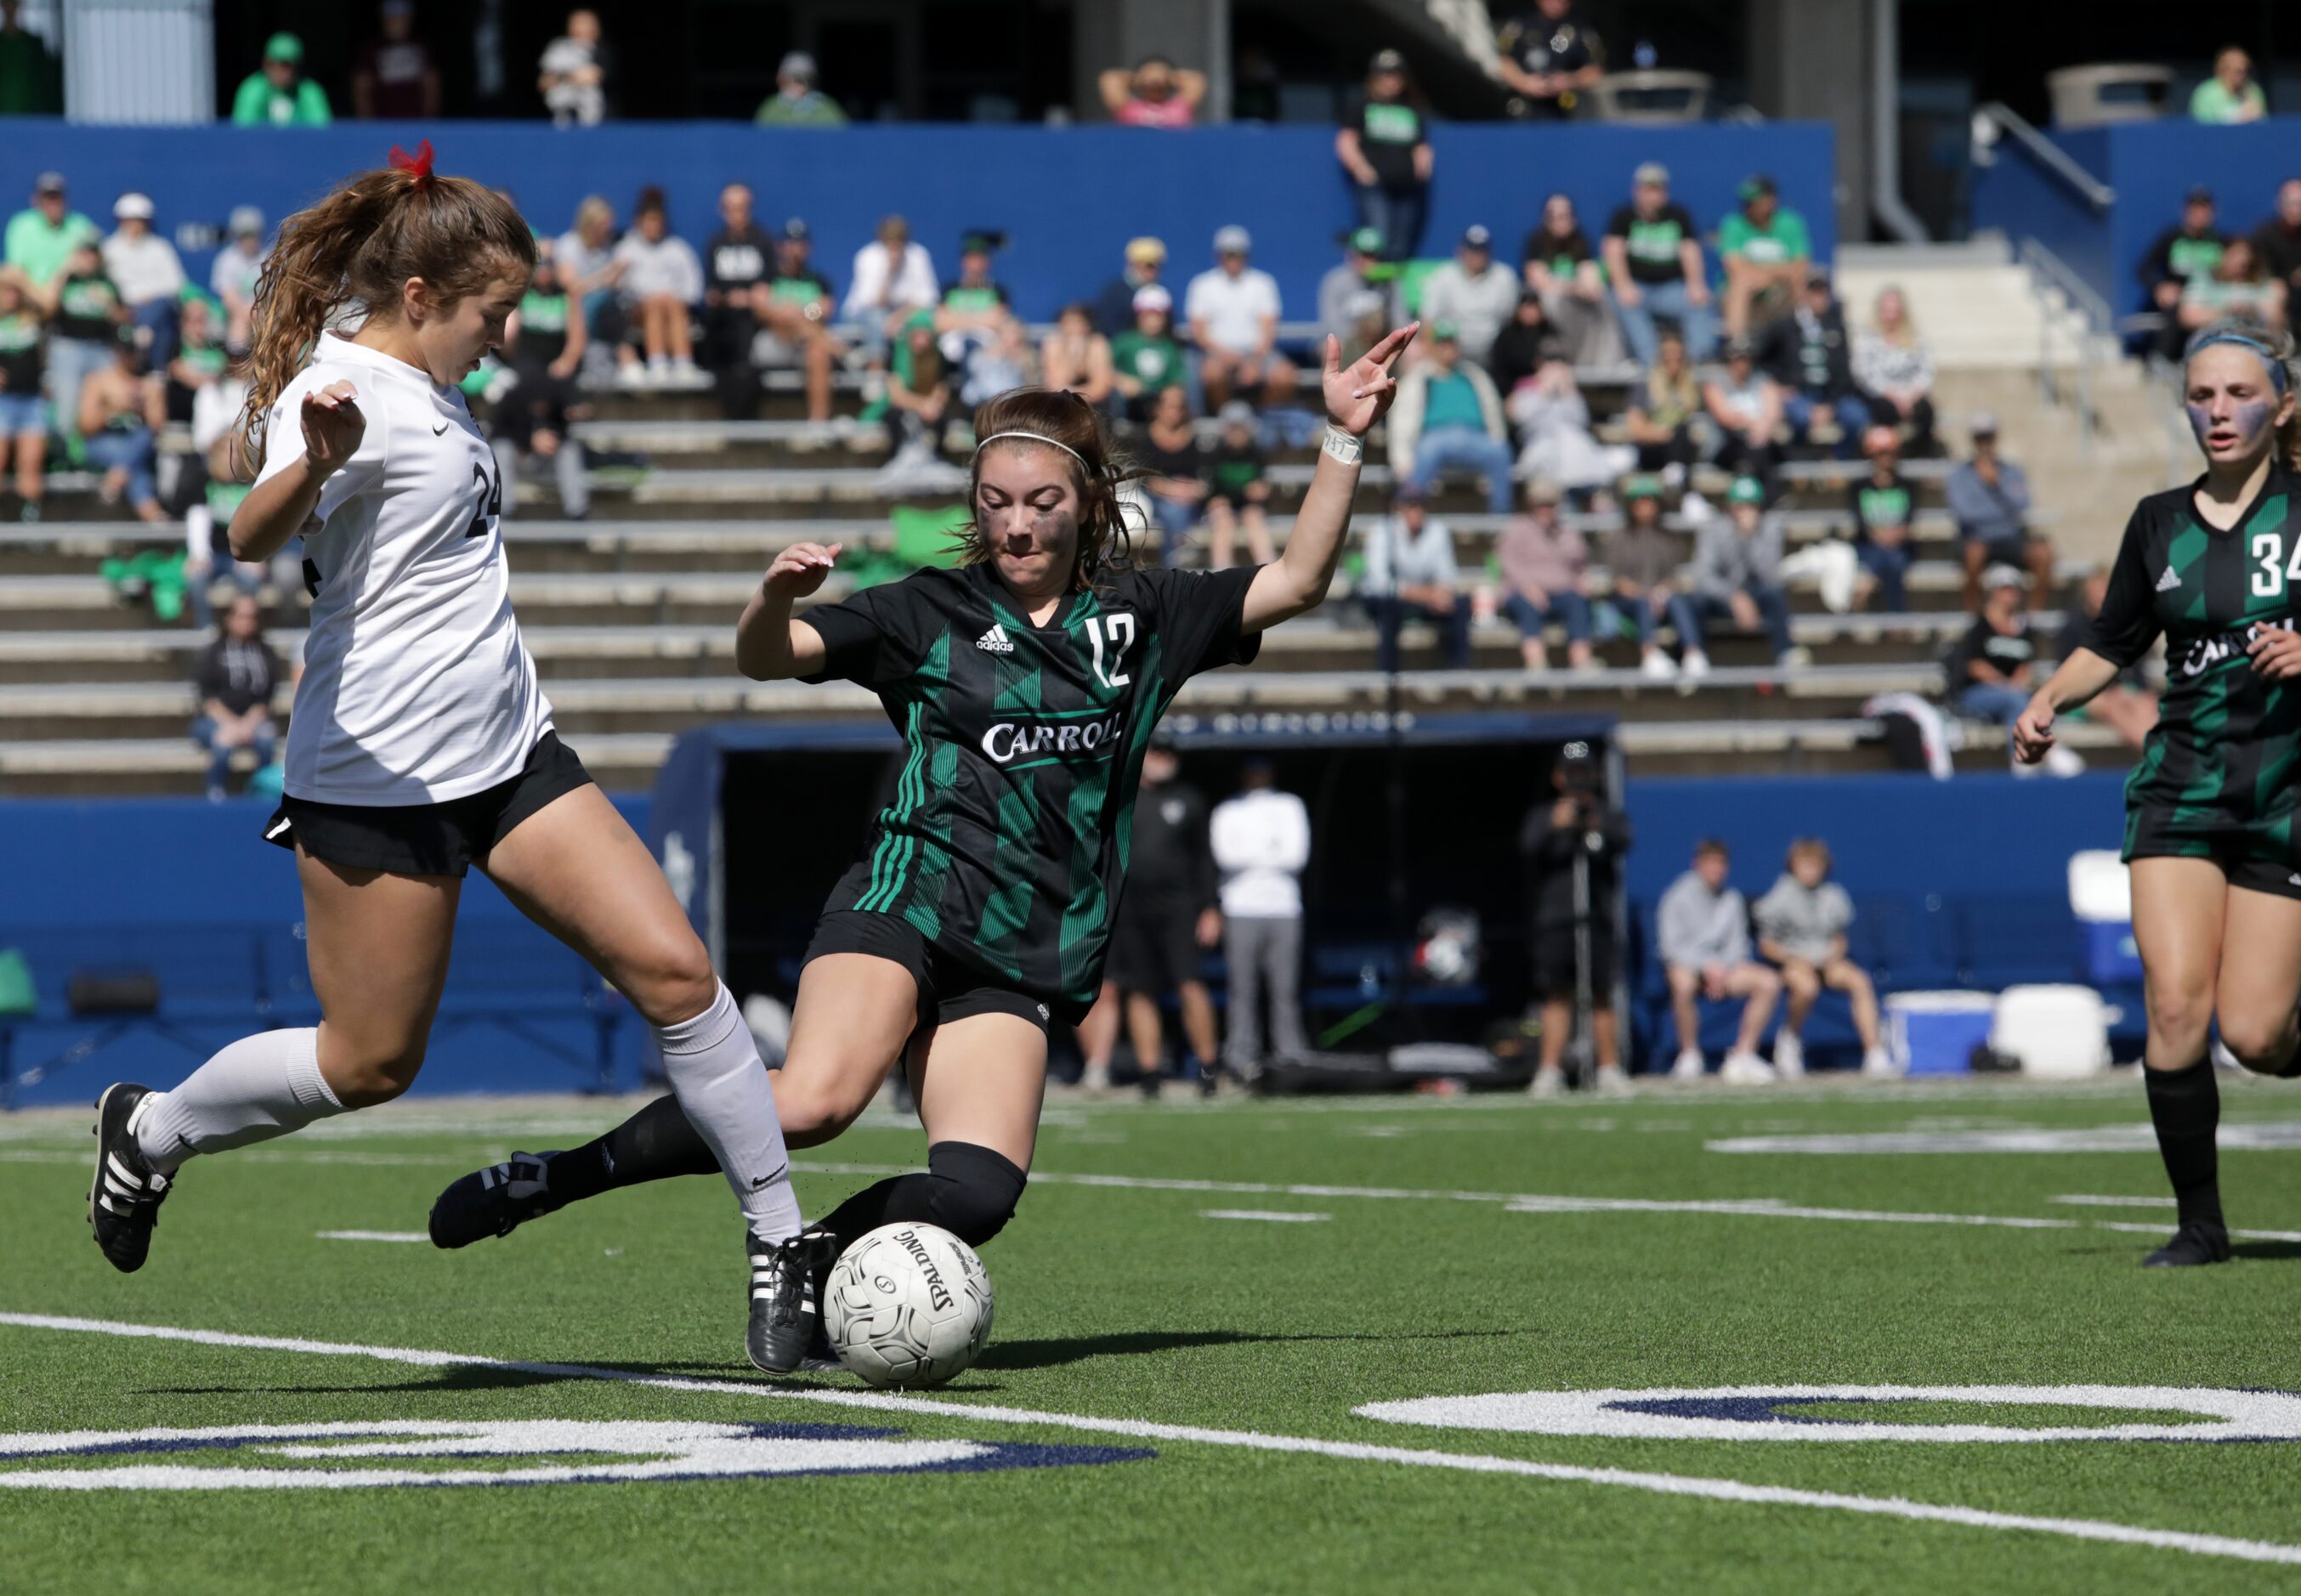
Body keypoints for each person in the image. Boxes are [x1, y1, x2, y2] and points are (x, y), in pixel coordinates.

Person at [425, 327, 1422, 1364]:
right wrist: (772, 599)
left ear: (1087, 504)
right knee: (810, 1102)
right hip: (909, 896)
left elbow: (1299, 580)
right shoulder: (928, 611)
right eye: (995, 503)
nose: (1016, 525)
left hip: (1030, 940)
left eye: (1041, 504)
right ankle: (559, 1177)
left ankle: (817, 1254)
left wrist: (1341, 440)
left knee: (979, 1194)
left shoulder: (1146, 616)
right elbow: (773, 659)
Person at [86, 148, 816, 1378]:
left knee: (679, 973)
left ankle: (781, 1242)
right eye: (494, 310)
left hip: (511, 754)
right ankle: (150, 1129)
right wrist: (313, 461)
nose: (507, 333)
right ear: (421, 295)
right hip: (375, 777)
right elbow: (251, 535)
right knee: (369, 1062)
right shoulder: (340, 388)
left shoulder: (431, 379)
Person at [2017, 320, 2301, 1266]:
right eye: (2201, 396)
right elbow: (2113, 640)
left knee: (2257, 1036)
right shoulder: (2156, 521)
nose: (2218, 412)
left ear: (2282, 404)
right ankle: (2200, 1225)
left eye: (2238, 394)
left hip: (2284, 799)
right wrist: (2048, 698)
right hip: (2179, 792)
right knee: (2176, 1007)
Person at [1106, 737, 1223, 1095]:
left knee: (1190, 982)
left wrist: (1210, 908)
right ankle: (1150, 1073)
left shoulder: (1189, 800)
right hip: (1130, 907)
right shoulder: (1120, 798)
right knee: (1139, 989)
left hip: (1179, 908)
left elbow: (1205, 859)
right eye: (1156, 751)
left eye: (1169, 753)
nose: (1162, 758)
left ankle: (1207, 1067)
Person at [1521, 739, 1630, 1096]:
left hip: (1596, 918)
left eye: (1585, 773)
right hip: (1558, 919)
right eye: (1572, 774)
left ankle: (1609, 1068)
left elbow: (1624, 839)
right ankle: (1550, 1070)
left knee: (1602, 994)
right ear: (1559, 777)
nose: (1578, 781)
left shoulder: (1606, 814)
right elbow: (1528, 847)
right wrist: (1558, 824)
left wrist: (1594, 822)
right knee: (1556, 994)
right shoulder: (1544, 815)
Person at [1754, 839, 1892, 1078]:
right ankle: (1789, 1040)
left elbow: (1840, 939)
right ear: (1793, 866)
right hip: (1794, 962)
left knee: (1858, 980)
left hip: (1826, 961)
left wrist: (1833, 954)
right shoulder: (1780, 896)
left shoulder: (1833, 895)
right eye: (1804, 864)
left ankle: (1874, 1052)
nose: (1809, 871)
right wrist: (1793, 958)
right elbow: (1766, 945)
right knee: (1807, 987)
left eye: (1815, 865)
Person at [1211, 760, 1312, 1078]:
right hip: (1240, 907)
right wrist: (1270, 850)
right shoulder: (1228, 809)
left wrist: (1252, 854)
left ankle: (1291, 1054)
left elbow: (1296, 856)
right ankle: (1241, 1056)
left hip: (1284, 908)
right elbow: (1226, 856)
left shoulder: (1289, 805)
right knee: (1243, 988)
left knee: (1285, 989)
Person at [1656, 839, 1780, 1084]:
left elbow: (1738, 946)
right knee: (1683, 983)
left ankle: (1743, 1055)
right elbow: (1671, 947)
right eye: (1709, 863)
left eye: (1720, 864)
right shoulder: (1676, 896)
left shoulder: (1732, 899)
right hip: (1688, 967)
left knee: (1769, 981)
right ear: (1697, 864)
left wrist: (1721, 969)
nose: (1715, 869)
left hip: (1723, 970)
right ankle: (1689, 1055)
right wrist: (1705, 967)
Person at [492, 244, 591, 521]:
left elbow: (577, 336)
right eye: (540, 265)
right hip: (525, 376)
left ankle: (577, 514)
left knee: (569, 449)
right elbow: (502, 429)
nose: (545, 271)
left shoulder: (566, 296)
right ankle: (505, 513)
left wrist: (566, 363)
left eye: (549, 265)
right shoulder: (521, 295)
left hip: (555, 374)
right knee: (501, 448)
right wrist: (530, 438)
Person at [1390, 321, 1512, 512]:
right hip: (1435, 436)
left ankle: (1499, 521)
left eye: (1452, 343)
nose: (1448, 349)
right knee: (1426, 453)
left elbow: (1493, 412)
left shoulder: (1474, 376)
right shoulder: (1420, 378)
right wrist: (1401, 460)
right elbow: (1402, 421)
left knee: (1500, 452)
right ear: (1434, 348)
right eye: (1443, 344)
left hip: (1475, 437)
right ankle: (1408, 511)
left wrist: (1496, 437)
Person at [1603, 163, 1714, 367]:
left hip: (1670, 289)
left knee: (1699, 302)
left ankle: (1699, 361)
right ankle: (1653, 365)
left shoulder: (1678, 215)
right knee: (1624, 303)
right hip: (1638, 287)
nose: (1653, 196)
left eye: (1658, 189)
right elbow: (1613, 251)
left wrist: (1696, 284)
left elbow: (1690, 251)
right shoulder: (1623, 217)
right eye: (1648, 189)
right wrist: (1623, 285)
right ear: (1637, 191)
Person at [1688, 474, 1799, 669]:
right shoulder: (1714, 529)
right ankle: (1696, 655)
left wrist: (1749, 538)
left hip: (1756, 593)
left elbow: (1770, 575)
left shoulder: (1770, 528)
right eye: (1739, 506)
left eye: (1751, 506)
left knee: (1775, 594)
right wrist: (1733, 597)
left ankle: (1785, 651)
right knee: (1696, 600)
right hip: (1723, 597)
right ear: (1730, 507)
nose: (1744, 512)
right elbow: (1703, 574)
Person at [1947, 414, 2053, 610]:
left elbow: (2023, 506)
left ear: (1995, 438)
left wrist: (1997, 486)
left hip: (2010, 537)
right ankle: (1974, 614)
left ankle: (2033, 616)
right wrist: (1998, 513)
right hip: (1977, 537)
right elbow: (1963, 513)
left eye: (1988, 437)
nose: (1985, 443)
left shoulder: (2012, 472)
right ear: (1973, 440)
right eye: (1980, 438)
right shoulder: (1959, 474)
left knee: (2044, 554)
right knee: (1974, 553)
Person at [1761, 268, 1869, 457]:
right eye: (1813, 292)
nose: (1817, 297)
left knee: (1857, 416)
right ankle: (1798, 460)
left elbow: (1844, 371)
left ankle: (1839, 461)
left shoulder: (1837, 327)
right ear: (1804, 294)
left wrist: (1830, 405)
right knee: (1800, 418)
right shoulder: (1785, 326)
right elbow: (1761, 357)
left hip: (1831, 395)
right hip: (1799, 393)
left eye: (1822, 292)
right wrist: (1777, 386)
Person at [1185, 226, 1295, 411]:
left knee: (1286, 376)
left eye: (1238, 253)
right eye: (1228, 253)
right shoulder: (1202, 285)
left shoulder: (1263, 283)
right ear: (1218, 255)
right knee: (1212, 375)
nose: (1233, 259)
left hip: (1257, 353)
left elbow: (1268, 328)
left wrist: (1254, 361)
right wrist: (1225, 356)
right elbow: (1199, 331)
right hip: (1217, 354)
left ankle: (1263, 422)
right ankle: (1227, 420)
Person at [1360, 484, 1468, 671]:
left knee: (1460, 604)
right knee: (1388, 608)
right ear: (1398, 508)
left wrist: (1440, 594)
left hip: (1423, 598)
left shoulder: (1437, 531)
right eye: (1410, 505)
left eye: (1420, 505)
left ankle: (1458, 669)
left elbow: (1447, 574)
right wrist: (1425, 594)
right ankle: (1387, 673)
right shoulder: (1382, 531)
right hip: (1389, 600)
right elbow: (1380, 583)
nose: (1416, 510)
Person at [1336, 50, 1431, 262]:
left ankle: (1394, 291)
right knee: (1379, 238)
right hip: (1375, 187)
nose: (1392, 80)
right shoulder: (1361, 105)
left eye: (1397, 74)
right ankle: (1376, 288)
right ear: (1375, 77)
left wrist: (1421, 168)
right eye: (1386, 74)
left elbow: (1420, 145)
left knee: (1402, 243)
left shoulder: (1411, 109)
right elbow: (1346, 141)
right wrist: (1361, 168)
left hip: (1407, 187)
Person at [1604, 474, 1702, 678]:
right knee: (1643, 603)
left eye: (1649, 501)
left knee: (1678, 600)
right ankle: (1649, 653)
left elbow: (1672, 576)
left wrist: (1661, 593)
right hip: (1628, 602)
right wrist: (1647, 595)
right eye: (1640, 501)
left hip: (1660, 598)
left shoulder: (1668, 539)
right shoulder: (1619, 539)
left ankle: (1693, 653)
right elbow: (1617, 581)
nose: (1645, 507)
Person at [1495, 477, 1593, 671]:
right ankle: (1536, 661)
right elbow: (1506, 564)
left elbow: (1580, 564)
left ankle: (1581, 660)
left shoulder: (1566, 532)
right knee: (1527, 604)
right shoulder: (1517, 529)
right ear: (1531, 505)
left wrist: (1582, 580)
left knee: (1577, 601)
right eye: (1541, 504)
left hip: (1561, 592)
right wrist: (1527, 586)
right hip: (1523, 592)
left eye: (1550, 504)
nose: (1545, 510)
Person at [190, 596, 282, 801]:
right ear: (229, 618)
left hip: (253, 720)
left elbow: (266, 699)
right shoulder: (213, 652)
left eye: (252, 617)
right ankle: (215, 795)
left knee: (267, 737)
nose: (246, 622)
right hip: (213, 720)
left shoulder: (265, 653)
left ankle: (264, 793)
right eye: (241, 616)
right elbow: (207, 697)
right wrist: (231, 724)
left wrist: (247, 725)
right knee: (222, 742)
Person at [611, 187, 703, 388]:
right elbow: (619, 289)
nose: (653, 226)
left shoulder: (679, 249)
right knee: (654, 304)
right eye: (649, 221)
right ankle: (658, 364)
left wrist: (670, 298)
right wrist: (651, 297)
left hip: (673, 308)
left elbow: (692, 290)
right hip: (637, 311)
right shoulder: (626, 250)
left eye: (657, 221)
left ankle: (683, 364)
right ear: (639, 222)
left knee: (670, 303)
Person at [2060, 568, 2158, 751]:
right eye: (2097, 590)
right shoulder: (2073, 628)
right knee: (2114, 706)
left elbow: (2139, 676)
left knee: (2145, 705)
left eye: (2106, 589)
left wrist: (2141, 694)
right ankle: (2152, 754)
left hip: (2123, 691)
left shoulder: (2128, 625)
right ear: (2087, 593)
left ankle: (2153, 758)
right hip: (2085, 695)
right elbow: (2067, 675)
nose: (2102, 595)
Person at [1520, 191, 1619, 366]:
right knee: (1553, 300)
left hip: (1575, 299)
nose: (1562, 221)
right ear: (1547, 218)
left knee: (1604, 298)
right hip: (1551, 301)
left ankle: (1609, 362)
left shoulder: (1580, 240)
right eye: (1556, 217)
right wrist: (1572, 287)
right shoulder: (1536, 241)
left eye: (1566, 216)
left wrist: (1589, 288)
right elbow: (1539, 281)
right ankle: (1572, 360)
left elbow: (1589, 276)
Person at [1951, 563, 2049, 741]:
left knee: (2021, 706)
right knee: (2015, 701)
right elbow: (1975, 666)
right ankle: (2039, 753)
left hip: (2013, 693)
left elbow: (2025, 667)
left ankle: (2022, 760)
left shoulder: (2024, 629)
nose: (2009, 596)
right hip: (1977, 693)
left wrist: (2015, 685)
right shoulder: (1980, 627)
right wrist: (2006, 686)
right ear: (1993, 592)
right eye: (2004, 590)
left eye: (2013, 590)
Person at [700, 183, 773, 419]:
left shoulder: (813, 282)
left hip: (767, 325)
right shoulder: (715, 243)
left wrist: (813, 310)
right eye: (731, 209)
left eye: (742, 208)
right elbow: (711, 289)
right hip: (727, 323)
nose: (737, 215)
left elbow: (811, 308)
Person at [77, 331, 163, 524]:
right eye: (127, 352)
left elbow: (157, 427)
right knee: (134, 462)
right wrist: (114, 408)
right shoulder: (99, 380)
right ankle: (151, 511)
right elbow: (85, 426)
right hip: (102, 442)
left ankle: (116, 477)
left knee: (143, 437)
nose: (132, 357)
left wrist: (143, 407)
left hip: (137, 442)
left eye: (135, 352)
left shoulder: (150, 383)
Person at [1718, 174, 1810, 342]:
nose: (1749, 207)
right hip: (1750, 289)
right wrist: (1779, 269)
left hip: (1779, 289)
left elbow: (1800, 266)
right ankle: (1737, 345)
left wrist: (1764, 273)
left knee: (1799, 281)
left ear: (1771, 200)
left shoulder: (1790, 223)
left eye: (1754, 202)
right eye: (1747, 202)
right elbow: (1735, 266)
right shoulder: (1733, 224)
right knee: (1740, 283)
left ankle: (1805, 337)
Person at [2139, 188, 2226, 361]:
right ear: (2185, 211)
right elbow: (2143, 269)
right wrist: (2160, 286)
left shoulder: (2220, 240)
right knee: (2175, 308)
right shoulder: (2171, 238)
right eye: (2195, 209)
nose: (2200, 214)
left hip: (2210, 298)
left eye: (2205, 209)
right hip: (2179, 299)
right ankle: (2160, 362)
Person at [842, 214, 938, 368]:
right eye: (890, 241)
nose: (895, 246)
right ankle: (876, 376)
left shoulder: (918, 255)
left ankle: (920, 379)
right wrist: (889, 273)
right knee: (878, 319)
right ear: (882, 240)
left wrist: (898, 317)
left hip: (900, 316)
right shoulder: (868, 257)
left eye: (899, 240)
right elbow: (873, 303)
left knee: (923, 319)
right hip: (861, 314)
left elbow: (928, 299)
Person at [1852, 284, 1936, 455]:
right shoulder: (1866, 338)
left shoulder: (1916, 337)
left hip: (1912, 394)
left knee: (1926, 412)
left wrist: (1912, 394)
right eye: (1886, 310)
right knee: (1884, 412)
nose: (1890, 316)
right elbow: (1865, 374)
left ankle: (1918, 455)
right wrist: (1894, 396)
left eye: (1894, 310)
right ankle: (1885, 457)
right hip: (1882, 396)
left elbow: (1926, 370)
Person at [101, 192, 183, 363]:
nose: (134, 225)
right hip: (123, 309)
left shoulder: (160, 248)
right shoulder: (109, 249)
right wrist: (129, 303)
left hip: (155, 308)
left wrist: (147, 297)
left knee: (161, 313)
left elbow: (175, 284)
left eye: (139, 219)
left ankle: (155, 369)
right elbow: (107, 283)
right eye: (129, 219)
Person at [1420, 225, 1516, 369]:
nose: (1477, 256)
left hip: (1493, 352)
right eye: (1472, 250)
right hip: (1453, 348)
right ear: (1461, 251)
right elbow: (1428, 320)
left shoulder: (1504, 277)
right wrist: (1435, 354)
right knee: (1415, 352)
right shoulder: (1444, 276)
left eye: (1481, 251)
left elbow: (1511, 319)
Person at [1494, 0, 1604, 121]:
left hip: (1565, 112)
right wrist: (1524, 83)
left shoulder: (1581, 30)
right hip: (1519, 111)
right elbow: (1503, 62)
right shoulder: (1520, 25)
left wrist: (1569, 80)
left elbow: (1595, 71)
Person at [1848, 425, 1914, 613]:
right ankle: (1896, 617)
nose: (1886, 458)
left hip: (1898, 545)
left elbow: (1908, 522)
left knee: (1892, 561)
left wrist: (1892, 536)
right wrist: (1880, 536)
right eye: (1881, 453)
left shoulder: (1907, 485)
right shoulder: (1859, 487)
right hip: (1869, 545)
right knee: (1886, 560)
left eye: (1889, 453)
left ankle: (1890, 615)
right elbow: (1861, 522)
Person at [1137, 383, 1207, 557]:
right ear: (1158, 409)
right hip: (1157, 498)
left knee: (1177, 509)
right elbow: (1148, 480)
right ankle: (1178, 552)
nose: (1176, 411)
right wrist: (1174, 490)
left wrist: (1192, 490)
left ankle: (1176, 557)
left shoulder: (1194, 440)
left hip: (1188, 499)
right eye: (1171, 406)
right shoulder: (1146, 439)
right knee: (1172, 509)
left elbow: (1203, 480)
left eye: (1180, 406)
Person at [1624, 327, 1701, 481]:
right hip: (1650, 450)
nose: (1673, 362)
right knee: (1679, 433)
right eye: (1667, 357)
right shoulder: (1646, 385)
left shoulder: (1689, 388)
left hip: (1678, 448)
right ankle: (1678, 479)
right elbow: (1635, 428)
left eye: (1678, 358)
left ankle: (1677, 477)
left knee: (1683, 432)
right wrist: (1666, 434)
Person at [1204, 399, 1273, 569]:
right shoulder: (1215, 455)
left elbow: (1262, 488)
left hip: (1248, 507)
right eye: (1232, 428)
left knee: (1254, 517)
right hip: (1222, 509)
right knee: (1223, 520)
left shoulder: (1257, 454)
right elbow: (1209, 492)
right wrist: (1214, 500)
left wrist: (1261, 492)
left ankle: (1266, 567)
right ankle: (1221, 571)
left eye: (1241, 427)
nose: (1237, 433)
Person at [1701, 336, 1782, 483]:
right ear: (1730, 359)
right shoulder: (1716, 382)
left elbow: (1774, 412)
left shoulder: (1762, 380)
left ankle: (1757, 498)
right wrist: (1755, 425)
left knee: (1757, 450)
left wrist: (1763, 428)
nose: (1743, 363)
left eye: (1747, 358)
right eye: (1739, 358)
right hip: (1727, 445)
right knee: (1752, 450)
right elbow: (1725, 418)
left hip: (1760, 441)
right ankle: (1771, 498)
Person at [0, 267, 46, 521]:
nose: (11, 295)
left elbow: (49, 303)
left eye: (14, 290)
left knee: (31, 462)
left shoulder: (33, 317)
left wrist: (23, 280)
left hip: (31, 400)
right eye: (6, 289)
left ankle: (30, 520)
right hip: (2, 402)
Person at [5, 171, 96, 290]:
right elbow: (15, 270)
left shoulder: (81, 225)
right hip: (31, 298)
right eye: (48, 198)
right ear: (36, 200)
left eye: (57, 198)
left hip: (73, 297)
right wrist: (43, 298)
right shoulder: (21, 226)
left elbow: (92, 264)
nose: (53, 203)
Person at [2179, 235, 2286, 337]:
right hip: (2212, 341)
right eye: (2235, 254)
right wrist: (2228, 312)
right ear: (2223, 256)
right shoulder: (2204, 280)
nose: (2243, 260)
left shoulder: (2265, 284)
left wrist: (2254, 311)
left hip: (2256, 343)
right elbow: (2188, 316)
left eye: (2246, 254)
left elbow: (2276, 321)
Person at [1109, 284, 1185, 423]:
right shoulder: (1125, 341)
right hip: (1129, 400)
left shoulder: (1169, 346)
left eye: (1158, 315)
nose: (1153, 321)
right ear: (1139, 315)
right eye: (1148, 315)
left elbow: (1176, 379)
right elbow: (1104, 368)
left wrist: (1169, 393)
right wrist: (1121, 380)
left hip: (1157, 400)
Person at [353, 0, 440, 120]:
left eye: (401, 18)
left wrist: (429, 120)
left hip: (416, 123)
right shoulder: (371, 49)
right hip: (382, 124)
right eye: (392, 18)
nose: (397, 23)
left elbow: (432, 86)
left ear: (409, 19)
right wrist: (368, 125)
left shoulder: (422, 46)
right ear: (384, 20)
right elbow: (361, 89)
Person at [1317, 226, 1393, 359]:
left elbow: (1400, 320)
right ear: (1352, 254)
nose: (1368, 261)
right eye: (1363, 254)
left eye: (1372, 255)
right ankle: (1334, 380)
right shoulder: (1335, 280)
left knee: (1412, 349)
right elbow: (1331, 324)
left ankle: (1398, 380)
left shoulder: (1390, 282)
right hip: (1348, 339)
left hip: (1382, 339)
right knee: (1330, 347)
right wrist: (1360, 334)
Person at [232, 31, 332, 127]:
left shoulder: (310, 91)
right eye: (271, 64)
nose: (278, 70)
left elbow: (321, 132)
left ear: (297, 67)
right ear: (264, 64)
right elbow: (244, 132)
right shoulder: (252, 89)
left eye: (285, 65)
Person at [1488, 290, 1567, 410]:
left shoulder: (1550, 333)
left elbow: (1562, 364)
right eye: (1527, 307)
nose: (1530, 312)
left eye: (1534, 307)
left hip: (1552, 392)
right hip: (1519, 394)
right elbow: (1500, 373)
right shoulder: (1507, 337)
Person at [539, 8, 613, 127]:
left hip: (599, 123)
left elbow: (590, 77)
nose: (582, 28)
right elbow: (544, 83)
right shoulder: (558, 50)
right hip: (561, 121)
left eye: (587, 23)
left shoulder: (604, 52)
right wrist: (570, 76)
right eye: (578, 23)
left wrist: (559, 78)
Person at [211, 207, 268, 353]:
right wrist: (248, 313)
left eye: (252, 234)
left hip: (264, 313)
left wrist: (257, 312)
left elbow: (274, 293)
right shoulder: (226, 260)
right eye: (244, 235)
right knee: (239, 324)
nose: (249, 240)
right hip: (236, 315)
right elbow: (229, 297)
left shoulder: (269, 258)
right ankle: (238, 364)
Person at [1099, 54, 1205, 128]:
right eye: (1150, 72)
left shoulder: (1179, 107)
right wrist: (1138, 77)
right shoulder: (1128, 107)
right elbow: (1109, 79)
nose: (1155, 79)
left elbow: (1197, 80)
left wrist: (1169, 76)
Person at [1095, 236, 1166, 337]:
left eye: (1156, 265)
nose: (1151, 271)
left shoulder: (1162, 293)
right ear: (1131, 264)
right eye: (1147, 265)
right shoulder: (1115, 292)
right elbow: (1108, 329)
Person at [0, 0, 60, 116]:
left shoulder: (33, 44)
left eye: (12, 3)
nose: (9, 7)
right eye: (6, 3)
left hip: (30, 115)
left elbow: (44, 81)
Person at [755, 50, 846, 126]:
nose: (800, 83)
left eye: (805, 77)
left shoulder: (827, 107)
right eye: (794, 77)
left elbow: (842, 137)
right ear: (781, 78)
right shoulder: (770, 108)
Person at [2252, 179, 2301, 308]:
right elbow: (2259, 272)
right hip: (2277, 292)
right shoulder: (2265, 235)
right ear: (2279, 204)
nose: (2296, 210)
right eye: (2292, 203)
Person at [2190, 46, 2266, 124]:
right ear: (2223, 70)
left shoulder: (2254, 91)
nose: (2243, 75)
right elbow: (2201, 126)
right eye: (2238, 71)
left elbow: (2262, 122)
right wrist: (2236, 116)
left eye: (2246, 70)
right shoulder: (2205, 93)